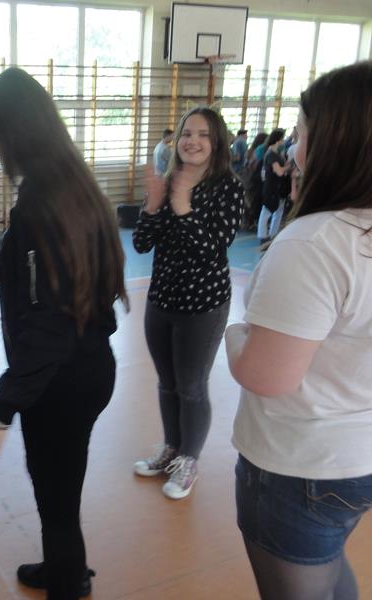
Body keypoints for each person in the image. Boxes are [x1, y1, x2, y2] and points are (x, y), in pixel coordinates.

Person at [0, 67, 128, 600]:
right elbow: (64, 277)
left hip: (61, 380)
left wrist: (2, 411)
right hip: (87, 367)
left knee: (56, 498)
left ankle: (68, 580)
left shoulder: (42, 201)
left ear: (13, 132)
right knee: (60, 491)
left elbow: (50, 325)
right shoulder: (72, 184)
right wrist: (0, 273)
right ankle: (67, 567)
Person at [226, 60, 372, 600]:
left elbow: (267, 376)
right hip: (359, 456)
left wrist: (235, 333)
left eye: (301, 132)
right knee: (329, 566)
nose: (294, 147)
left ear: (334, 142)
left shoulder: (318, 242)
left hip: (301, 463)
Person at [132, 107, 244, 500]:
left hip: (204, 305)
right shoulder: (167, 183)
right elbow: (141, 243)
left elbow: (213, 249)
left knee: (191, 387)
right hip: (162, 299)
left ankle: (189, 459)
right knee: (167, 383)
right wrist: (153, 205)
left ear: (217, 143)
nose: (192, 141)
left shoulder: (228, 188)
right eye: (186, 133)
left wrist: (182, 204)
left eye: (203, 135)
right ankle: (172, 447)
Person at [257, 128, 288, 243]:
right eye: (282, 138)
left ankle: (272, 234)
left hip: (276, 187)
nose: (284, 141)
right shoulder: (271, 154)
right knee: (267, 211)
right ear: (278, 140)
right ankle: (263, 235)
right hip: (271, 187)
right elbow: (279, 171)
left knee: (278, 211)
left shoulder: (275, 153)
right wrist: (288, 167)